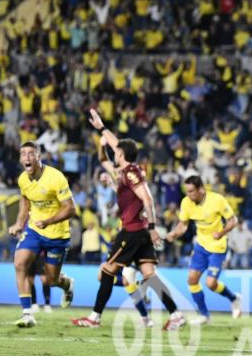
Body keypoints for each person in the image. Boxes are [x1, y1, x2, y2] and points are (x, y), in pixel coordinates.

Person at [72, 110, 185, 329]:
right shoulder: (124, 172)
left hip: (133, 231)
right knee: (149, 275)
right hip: (139, 231)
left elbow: (148, 199)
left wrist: (153, 228)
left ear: (121, 154)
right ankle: (176, 315)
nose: (115, 152)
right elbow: (108, 156)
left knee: (107, 270)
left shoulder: (132, 172)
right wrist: (101, 129)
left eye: (117, 151)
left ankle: (94, 318)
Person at [8, 142, 76, 328]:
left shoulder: (55, 177)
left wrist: (48, 221)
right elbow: (25, 200)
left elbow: (71, 209)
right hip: (35, 231)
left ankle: (67, 285)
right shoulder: (23, 179)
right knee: (19, 263)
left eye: (31, 153)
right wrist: (19, 223)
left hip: (57, 235)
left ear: (39, 157)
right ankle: (27, 314)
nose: (27, 157)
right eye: (23, 154)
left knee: (50, 280)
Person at [166, 175, 242, 325]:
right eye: (186, 191)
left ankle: (234, 298)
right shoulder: (186, 203)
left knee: (211, 283)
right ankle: (204, 315)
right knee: (192, 279)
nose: (188, 195)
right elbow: (183, 225)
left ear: (201, 189)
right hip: (201, 245)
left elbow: (233, 220)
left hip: (218, 246)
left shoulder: (217, 200)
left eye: (191, 191)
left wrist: (221, 233)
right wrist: (174, 234)